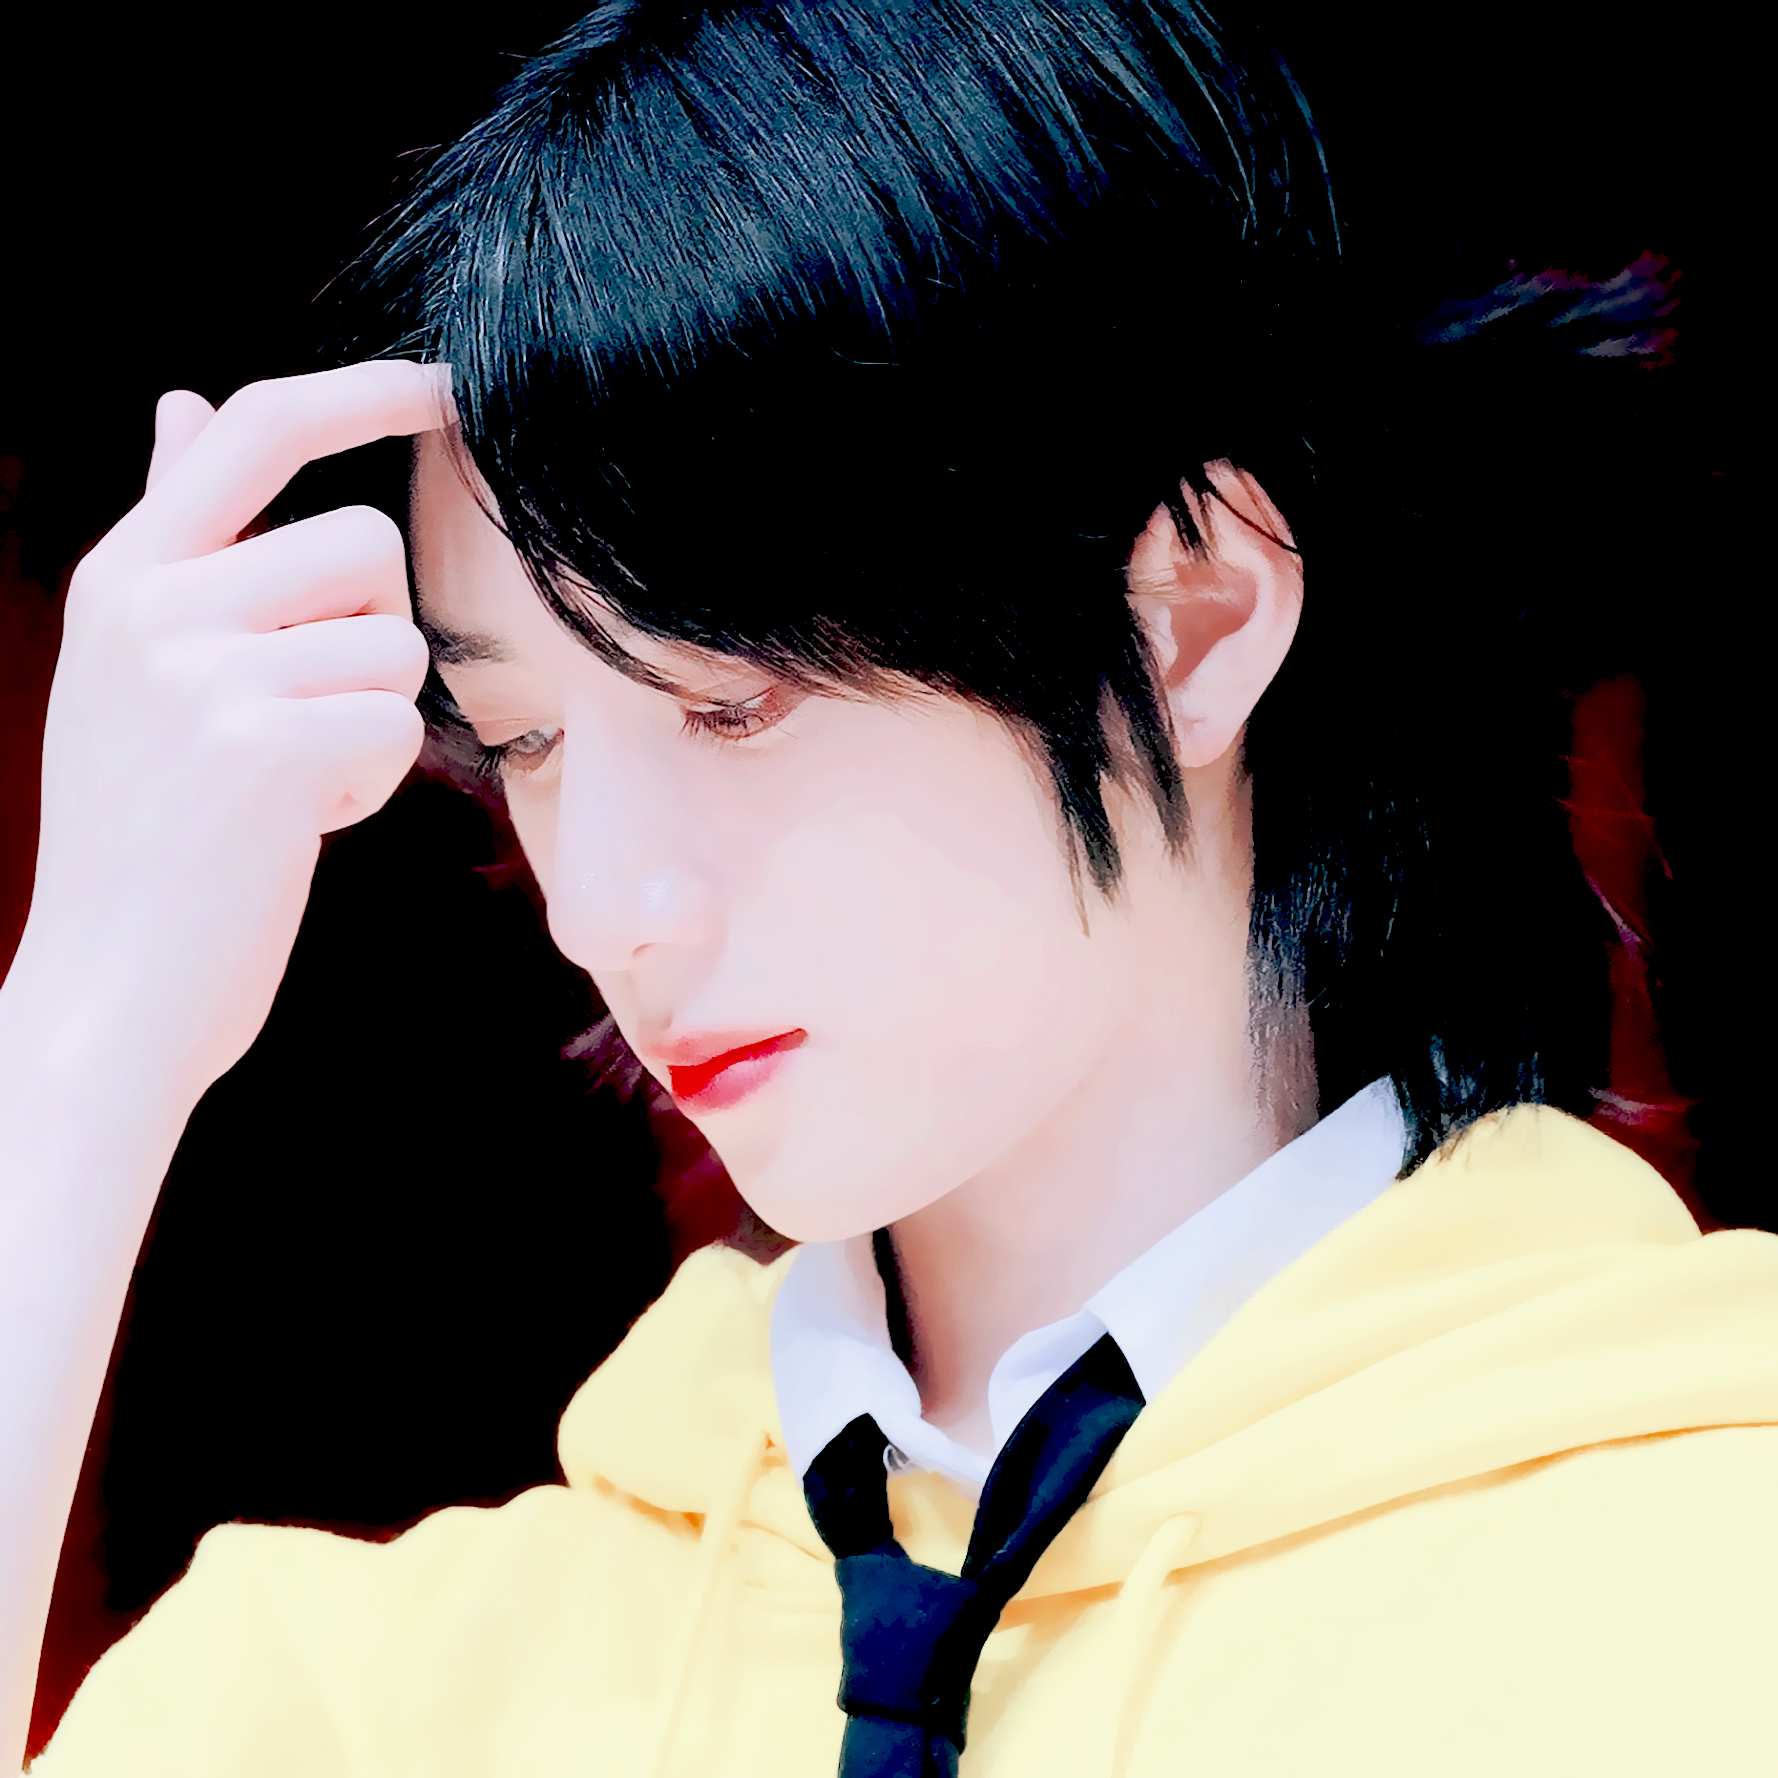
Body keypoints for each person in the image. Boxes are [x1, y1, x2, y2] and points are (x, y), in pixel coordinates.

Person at [2, 1, 1772, 1773]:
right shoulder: (363, 1694)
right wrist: (77, 1050)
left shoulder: (1708, 1571)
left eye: (730, 702)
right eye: (525, 738)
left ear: (1189, 616)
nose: (602, 903)